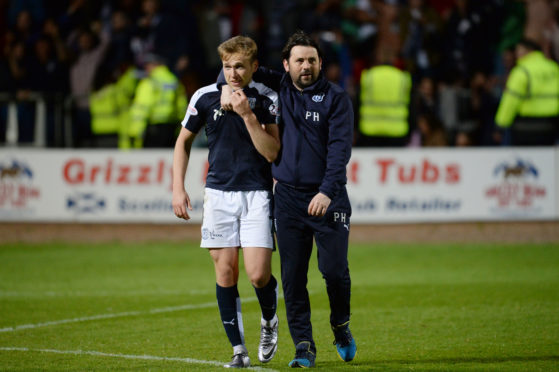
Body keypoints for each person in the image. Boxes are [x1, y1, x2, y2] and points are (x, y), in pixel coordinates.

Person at [223, 30, 356, 368]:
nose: (306, 65)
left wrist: (326, 191)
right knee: (294, 278)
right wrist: (226, 87)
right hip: (288, 200)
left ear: (320, 62)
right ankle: (304, 347)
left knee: (334, 271)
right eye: (299, 60)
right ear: (287, 64)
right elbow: (235, 66)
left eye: (312, 59)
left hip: (329, 199)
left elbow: (340, 152)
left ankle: (340, 326)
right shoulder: (279, 85)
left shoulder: (336, 99)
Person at [172, 35, 280, 368]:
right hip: (218, 194)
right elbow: (183, 143)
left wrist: (248, 115)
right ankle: (238, 350)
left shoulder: (267, 99)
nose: (232, 73)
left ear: (254, 67)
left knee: (259, 275)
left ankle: (269, 322)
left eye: (239, 66)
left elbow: (273, 152)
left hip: (257, 194)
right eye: (227, 66)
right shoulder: (204, 97)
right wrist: (177, 187)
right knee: (225, 272)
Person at [494, 38, 559, 146]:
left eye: (519, 50)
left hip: (526, 126)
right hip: (552, 125)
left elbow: (510, 101)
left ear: (529, 51)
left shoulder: (521, 71)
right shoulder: (554, 68)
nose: (516, 54)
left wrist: (500, 126)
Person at [357, 46, 412, 146]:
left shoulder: (368, 77)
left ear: (379, 58)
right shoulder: (403, 78)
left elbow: (356, 104)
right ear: (394, 59)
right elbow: (411, 107)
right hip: (397, 132)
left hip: (370, 132)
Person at [129, 53, 187, 148]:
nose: (146, 68)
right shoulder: (174, 81)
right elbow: (182, 106)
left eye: (148, 65)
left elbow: (142, 108)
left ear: (156, 65)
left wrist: (135, 133)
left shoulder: (150, 82)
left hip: (153, 128)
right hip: (171, 127)